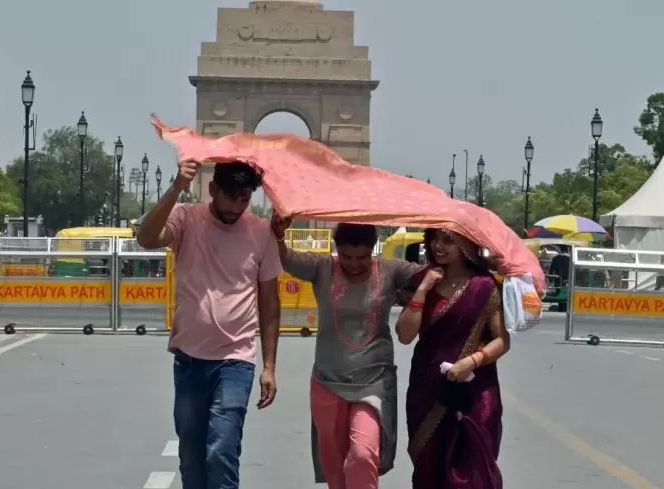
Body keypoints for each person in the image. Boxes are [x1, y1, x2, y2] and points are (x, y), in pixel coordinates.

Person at [137, 159, 282, 489]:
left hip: (236, 360)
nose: (237, 206)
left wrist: (269, 365)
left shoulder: (261, 232)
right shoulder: (187, 218)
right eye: (230, 196)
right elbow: (146, 238)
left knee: (221, 451)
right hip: (189, 358)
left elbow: (270, 303)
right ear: (212, 189)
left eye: (245, 198)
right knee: (191, 456)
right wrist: (175, 188)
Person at [270, 216, 424, 489]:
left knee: (363, 454)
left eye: (362, 257)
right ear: (335, 248)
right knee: (334, 463)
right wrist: (279, 234)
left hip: (374, 381)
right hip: (328, 381)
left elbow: (436, 272)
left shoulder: (390, 270)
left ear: (373, 248)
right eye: (347, 256)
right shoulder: (322, 268)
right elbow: (286, 257)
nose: (354, 263)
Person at [395, 229, 510, 489]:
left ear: (466, 245)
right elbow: (404, 335)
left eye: (448, 240)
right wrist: (423, 289)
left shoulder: (485, 285)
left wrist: (470, 362)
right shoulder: (423, 280)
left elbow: (502, 340)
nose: (438, 246)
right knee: (428, 467)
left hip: (475, 390)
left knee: (471, 470)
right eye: (434, 239)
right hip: (427, 388)